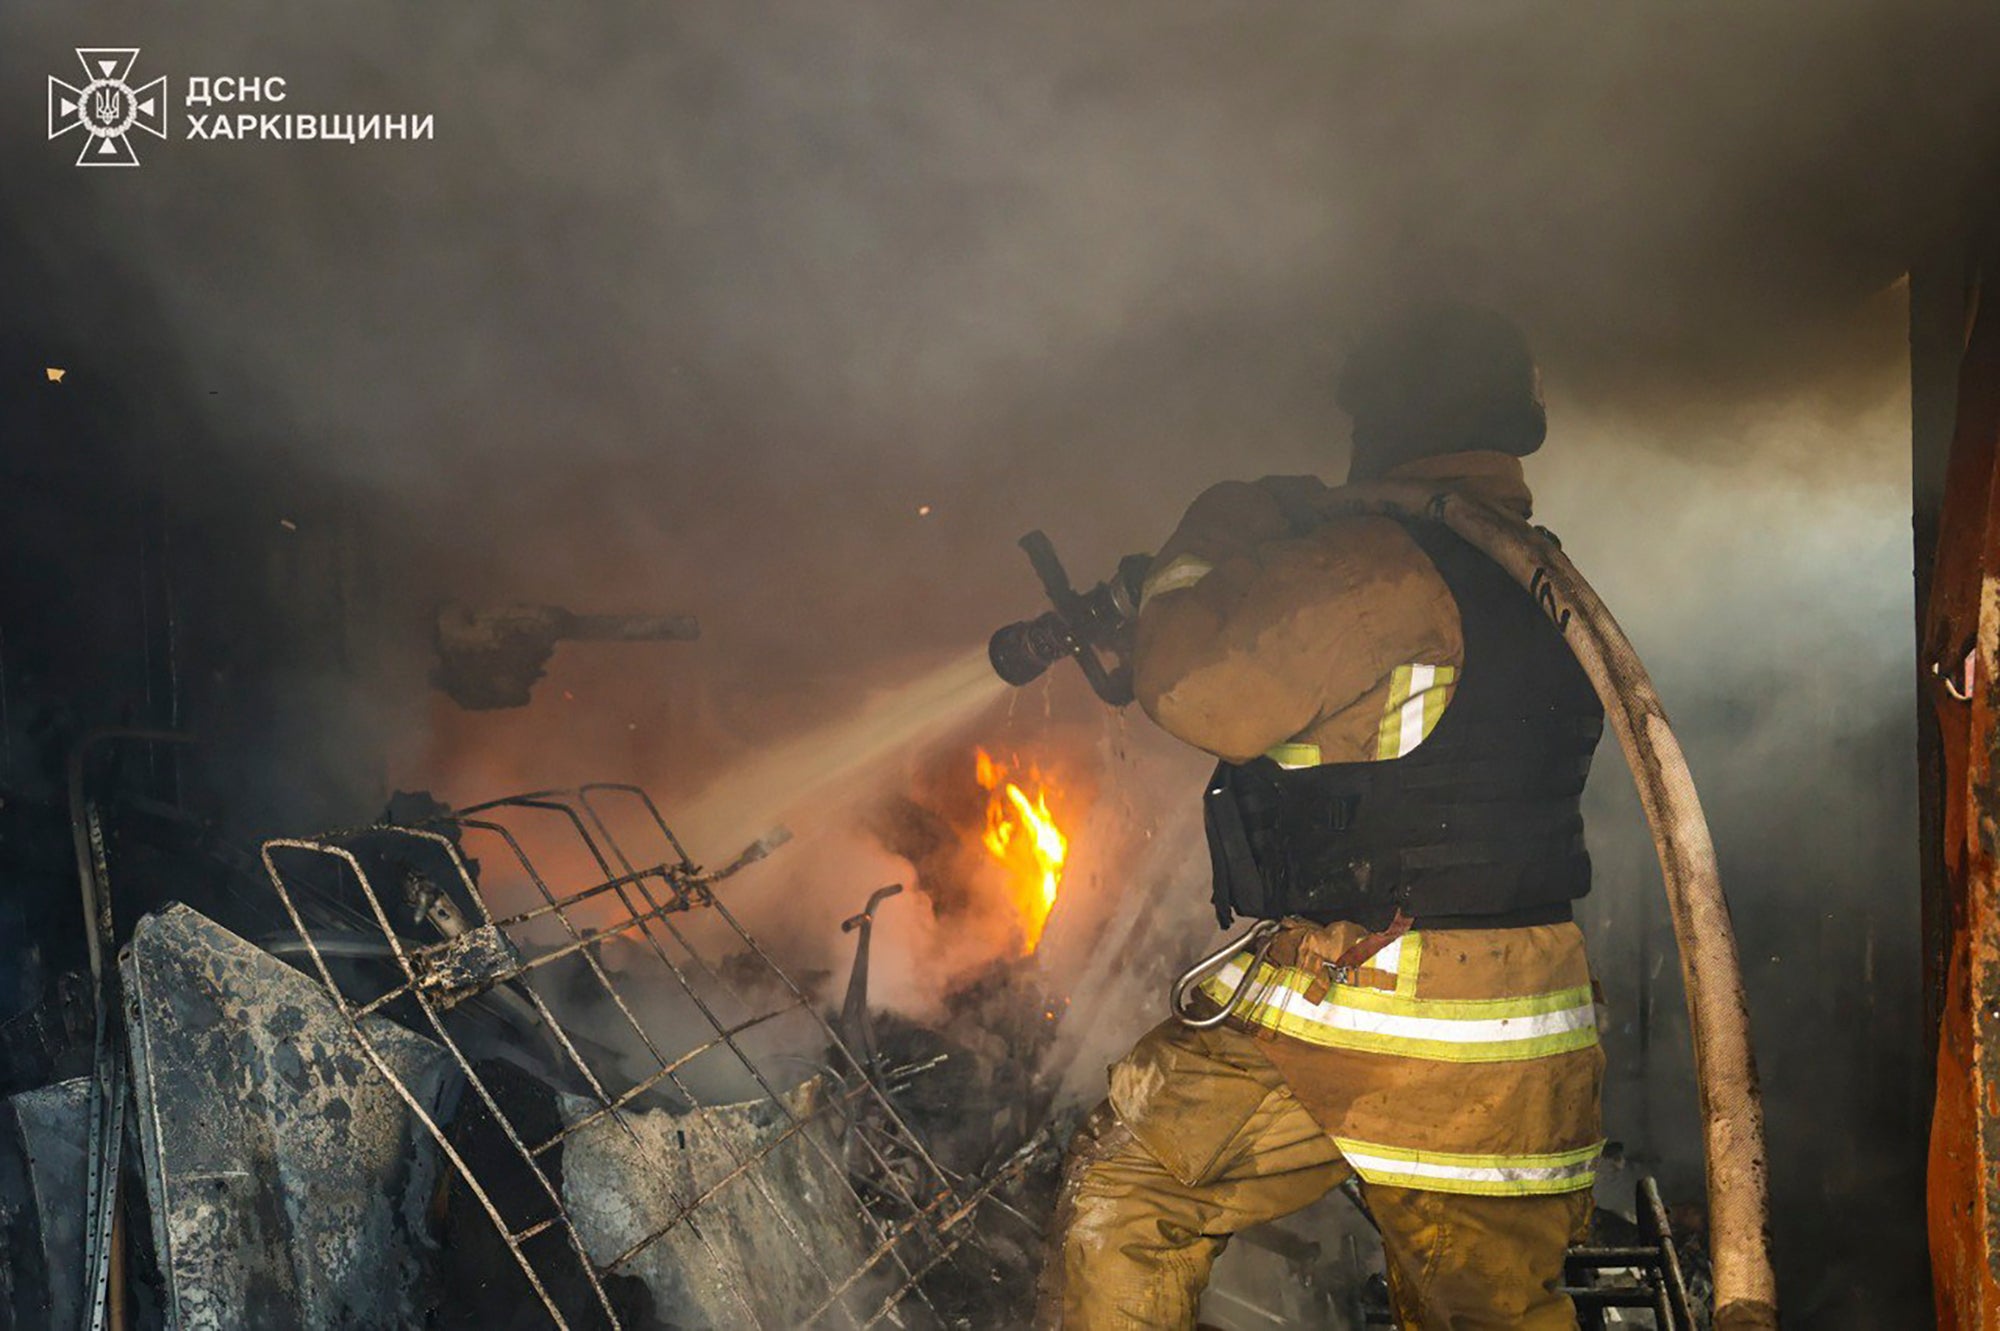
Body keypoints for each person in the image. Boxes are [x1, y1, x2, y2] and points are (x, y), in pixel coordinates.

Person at [1040, 302, 1605, 1329]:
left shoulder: (1377, 567)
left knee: (1130, 1192)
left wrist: (1229, 523)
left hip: (1370, 1001)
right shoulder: (1537, 571)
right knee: (1488, 1313)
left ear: (1383, 420)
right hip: (1521, 1028)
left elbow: (1195, 687)